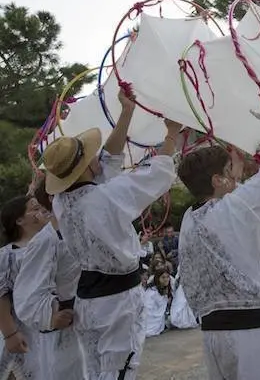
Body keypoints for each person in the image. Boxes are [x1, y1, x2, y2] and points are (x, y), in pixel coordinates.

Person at [42, 88, 181, 380]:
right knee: (119, 371)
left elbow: (108, 162)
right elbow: (157, 173)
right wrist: (172, 134)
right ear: (85, 167)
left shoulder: (62, 202)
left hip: (88, 300)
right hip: (117, 301)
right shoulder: (106, 198)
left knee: (95, 371)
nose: (97, 157)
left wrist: (126, 113)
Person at [176, 92, 260, 380]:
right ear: (217, 180)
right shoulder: (233, 211)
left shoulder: (190, 220)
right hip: (250, 332)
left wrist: (231, 172)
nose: (236, 178)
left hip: (214, 334)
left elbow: (242, 199)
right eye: (228, 173)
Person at [13, 181, 87, 380]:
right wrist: (51, 318)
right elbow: (26, 296)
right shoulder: (45, 241)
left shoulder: (80, 227)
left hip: (88, 317)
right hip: (65, 329)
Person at [0, 194, 49, 379]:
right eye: (35, 209)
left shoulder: (51, 245)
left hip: (52, 329)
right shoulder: (7, 256)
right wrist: (10, 334)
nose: (42, 212)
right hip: (22, 332)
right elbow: (1, 295)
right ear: (19, 220)